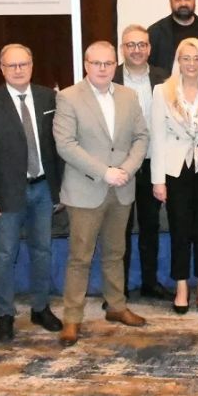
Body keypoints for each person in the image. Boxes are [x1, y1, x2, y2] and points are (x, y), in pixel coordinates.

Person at [54, 42, 149, 346]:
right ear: (86, 65)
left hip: (122, 187)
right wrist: (104, 172)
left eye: (108, 63)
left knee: (115, 252)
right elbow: (65, 144)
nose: (103, 68)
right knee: (80, 258)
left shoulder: (128, 96)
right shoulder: (68, 97)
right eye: (97, 63)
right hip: (86, 189)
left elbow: (141, 137)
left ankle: (117, 307)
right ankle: (72, 318)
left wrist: (127, 170)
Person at [0, 44, 63, 342]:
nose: (18, 70)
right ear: (2, 69)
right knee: (4, 254)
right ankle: (5, 314)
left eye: (23, 64)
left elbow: (56, 147)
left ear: (32, 65)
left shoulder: (48, 97)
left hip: (43, 188)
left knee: (42, 250)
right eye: (12, 65)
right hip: (7, 193)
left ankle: (40, 308)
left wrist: (59, 190)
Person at [151, 38, 198, 315]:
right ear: (178, 61)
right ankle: (181, 286)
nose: (192, 64)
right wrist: (158, 179)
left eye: (197, 58)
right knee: (179, 230)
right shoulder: (163, 90)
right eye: (186, 58)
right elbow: (157, 136)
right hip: (176, 169)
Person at [113, 24, 172, 300]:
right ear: (122, 49)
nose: (136, 50)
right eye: (130, 45)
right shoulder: (110, 77)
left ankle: (150, 282)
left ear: (149, 48)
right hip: (120, 166)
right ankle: (118, 289)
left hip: (152, 164)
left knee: (150, 227)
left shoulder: (164, 78)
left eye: (142, 45)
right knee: (119, 229)